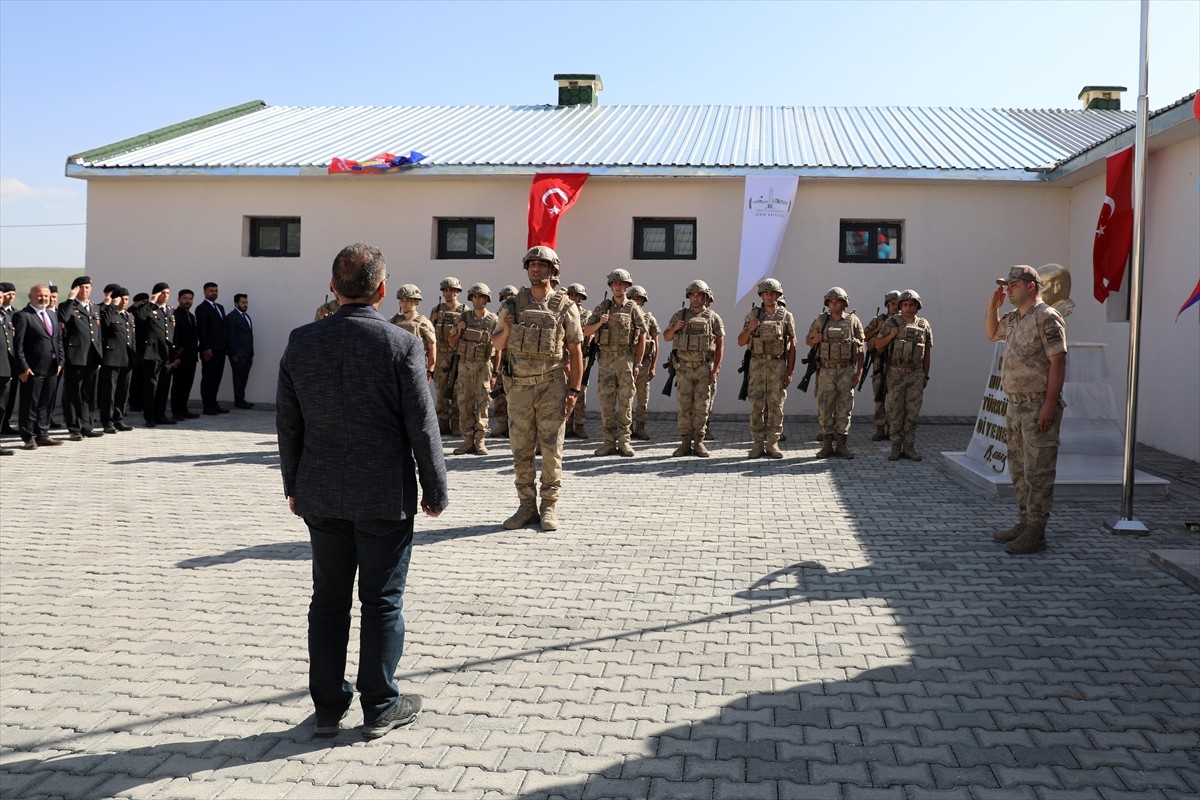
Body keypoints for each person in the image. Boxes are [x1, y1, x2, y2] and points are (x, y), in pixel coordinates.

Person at [277, 242, 448, 740]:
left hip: (322, 494)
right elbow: (423, 424)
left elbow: (288, 424)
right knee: (381, 601)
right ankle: (380, 705)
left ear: (333, 286)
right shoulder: (401, 344)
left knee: (328, 600)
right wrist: (435, 489)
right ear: (381, 289)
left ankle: (328, 708)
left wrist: (293, 484)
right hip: (383, 497)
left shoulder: (301, 341)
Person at [491, 246, 584, 531]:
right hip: (518, 388)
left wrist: (574, 391)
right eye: (531, 264)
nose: (535, 269)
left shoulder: (565, 306)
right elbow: (496, 344)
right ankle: (526, 507)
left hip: (551, 387)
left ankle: (549, 507)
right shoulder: (512, 304)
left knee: (551, 449)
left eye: (541, 265)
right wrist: (506, 330)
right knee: (520, 449)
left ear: (552, 270)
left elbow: (575, 350)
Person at [985, 265, 1067, 555]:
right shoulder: (1016, 318)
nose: (1008, 289)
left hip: (1037, 405)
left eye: (1013, 284)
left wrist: (1048, 405)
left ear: (1031, 285)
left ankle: (1037, 531)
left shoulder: (1046, 317)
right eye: (1006, 285)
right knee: (1019, 469)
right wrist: (993, 306)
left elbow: (1058, 362)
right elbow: (992, 333)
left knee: (1038, 471)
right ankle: (1024, 521)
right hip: (1016, 405)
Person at [583, 270, 647, 457]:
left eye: (622, 284)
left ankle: (625, 442)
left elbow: (643, 335)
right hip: (606, 362)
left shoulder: (633, 308)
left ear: (627, 286)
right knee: (607, 404)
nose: (618, 287)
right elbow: (586, 331)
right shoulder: (603, 307)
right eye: (615, 284)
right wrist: (600, 323)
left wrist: (638, 363)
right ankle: (608, 442)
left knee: (626, 403)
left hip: (626, 361)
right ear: (611, 286)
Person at [662, 279, 724, 458]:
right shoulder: (680, 315)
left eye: (699, 295)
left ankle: (699, 442)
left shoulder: (713, 317)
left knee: (702, 407)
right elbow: (666, 337)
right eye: (693, 295)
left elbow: (720, 345)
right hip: (684, 369)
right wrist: (675, 328)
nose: (695, 298)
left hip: (704, 368)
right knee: (684, 406)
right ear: (689, 296)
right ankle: (684, 443)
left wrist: (716, 369)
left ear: (705, 297)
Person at [737, 278, 796, 459]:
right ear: (761, 295)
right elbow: (741, 341)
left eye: (773, 293)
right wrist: (751, 328)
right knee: (757, 405)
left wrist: (790, 371)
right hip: (757, 364)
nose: (769, 296)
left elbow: (792, 345)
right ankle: (757, 445)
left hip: (778, 365)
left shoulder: (786, 316)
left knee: (776, 406)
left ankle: (772, 444)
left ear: (778, 295)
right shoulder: (753, 315)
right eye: (766, 293)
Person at [806, 287, 864, 459]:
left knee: (845, 408)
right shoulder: (821, 320)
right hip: (826, 370)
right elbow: (807, 340)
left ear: (844, 303)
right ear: (827, 303)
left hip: (846, 369)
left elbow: (861, 347)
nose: (834, 304)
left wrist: (859, 372)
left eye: (838, 301)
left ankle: (841, 445)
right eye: (831, 301)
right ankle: (826, 445)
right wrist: (813, 340)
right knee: (825, 407)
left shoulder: (853, 321)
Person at [875, 289, 933, 461]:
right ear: (900, 306)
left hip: (915, 374)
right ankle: (895, 447)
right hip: (895, 374)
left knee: (912, 413)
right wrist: (890, 336)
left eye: (911, 304)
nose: (908, 308)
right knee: (895, 412)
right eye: (905, 304)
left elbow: (927, 353)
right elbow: (878, 345)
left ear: (917, 306)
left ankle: (909, 447)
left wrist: (925, 376)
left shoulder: (924, 325)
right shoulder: (892, 323)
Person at [447, 283, 499, 455]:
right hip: (465, 366)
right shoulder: (463, 317)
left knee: (483, 403)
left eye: (481, 297)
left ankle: (480, 441)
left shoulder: (493, 320)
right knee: (464, 402)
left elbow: (498, 348)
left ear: (487, 299)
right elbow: (451, 342)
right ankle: (467, 440)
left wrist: (496, 372)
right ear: (471, 298)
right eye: (475, 297)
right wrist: (459, 331)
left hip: (484, 367)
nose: (478, 300)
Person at [13, 283, 64, 448]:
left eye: (46, 296)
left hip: (52, 367)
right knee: (30, 404)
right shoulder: (23, 316)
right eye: (40, 295)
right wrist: (23, 367)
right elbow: (18, 345)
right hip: (32, 369)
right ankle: (28, 437)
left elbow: (58, 340)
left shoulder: (52, 315)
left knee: (46, 402)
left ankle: (43, 434)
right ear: (30, 296)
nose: (43, 299)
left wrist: (60, 361)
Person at [58, 276, 104, 440]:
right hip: (76, 356)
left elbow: (98, 334)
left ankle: (87, 425)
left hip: (92, 357)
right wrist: (71, 298)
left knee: (88, 394)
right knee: (73, 393)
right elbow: (62, 318)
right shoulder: (68, 306)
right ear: (76, 289)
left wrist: (99, 357)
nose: (86, 290)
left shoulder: (95, 308)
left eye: (88, 287)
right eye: (82, 287)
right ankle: (74, 428)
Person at [134, 282, 179, 427]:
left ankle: (161, 414)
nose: (165, 296)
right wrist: (151, 302)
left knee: (164, 386)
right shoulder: (148, 309)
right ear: (156, 294)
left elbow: (172, 333)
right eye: (163, 293)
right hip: (151, 353)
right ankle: (150, 416)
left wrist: (175, 354)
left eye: (167, 293)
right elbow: (139, 318)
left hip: (166, 353)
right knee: (151, 386)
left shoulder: (170, 311)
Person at [861, 290, 901, 441]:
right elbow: (863, 336)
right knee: (879, 398)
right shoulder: (879, 319)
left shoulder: (902, 321)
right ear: (887, 305)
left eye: (898, 304)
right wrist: (878, 329)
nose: (895, 307)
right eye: (892, 304)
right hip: (879, 364)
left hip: (896, 366)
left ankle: (892, 428)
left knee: (894, 399)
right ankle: (880, 428)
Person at [99, 287, 136, 433]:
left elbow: (132, 338)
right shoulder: (108, 313)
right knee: (109, 392)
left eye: (127, 299)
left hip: (127, 359)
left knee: (123, 391)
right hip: (112, 358)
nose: (125, 302)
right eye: (123, 299)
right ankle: (107, 422)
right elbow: (105, 324)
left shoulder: (129, 316)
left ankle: (118, 419)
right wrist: (112, 305)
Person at [430, 277, 465, 435]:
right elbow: (429, 333)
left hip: (458, 356)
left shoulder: (464, 311)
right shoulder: (437, 310)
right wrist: (433, 320)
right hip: (441, 355)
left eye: (451, 290)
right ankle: (443, 423)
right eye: (445, 290)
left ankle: (456, 422)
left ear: (458, 292)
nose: (448, 293)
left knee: (458, 391)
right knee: (441, 390)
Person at [627, 285, 658, 440]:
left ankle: (640, 428)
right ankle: (627, 430)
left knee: (642, 399)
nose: (636, 302)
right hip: (626, 362)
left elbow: (656, 343)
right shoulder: (625, 318)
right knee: (626, 399)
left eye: (639, 299)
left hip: (644, 364)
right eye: (633, 298)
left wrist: (653, 366)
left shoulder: (649, 319)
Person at [389, 285, 436, 381]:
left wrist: (430, 371)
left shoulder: (423, 323)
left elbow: (432, 348)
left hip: (415, 369)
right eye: (402, 300)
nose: (404, 303)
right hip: (396, 369)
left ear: (417, 301)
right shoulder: (394, 321)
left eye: (408, 300)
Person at [195, 282, 230, 415]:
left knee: (217, 378)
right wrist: (205, 347)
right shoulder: (201, 308)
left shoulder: (220, 307)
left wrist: (226, 347)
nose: (214, 293)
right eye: (211, 291)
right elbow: (202, 330)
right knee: (208, 378)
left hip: (221, 349)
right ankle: (207, 405)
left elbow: (222, 328)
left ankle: (214, 403)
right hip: (209, 350)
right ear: (204, 292)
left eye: (216, 291)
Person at [490, 285, 518, 438]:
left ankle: (514, 426)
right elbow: (495, 342)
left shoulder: (520, 317)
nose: (506, 300)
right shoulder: (497, 318)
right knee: (499, 395)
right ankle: (502, 424)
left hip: (516, 362)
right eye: (503, 298)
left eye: (509, 297)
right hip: (500, 361)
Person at [564, 283, 591, 439]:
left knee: (580, 391)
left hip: (582, 357)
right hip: (565, 357)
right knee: (563, 391)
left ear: (582, 297)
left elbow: (589, 333)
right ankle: (566, 425)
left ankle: (579, 425)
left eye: (577, 295)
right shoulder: (563, 313)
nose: (574, 297)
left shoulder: (587, 315)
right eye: (572, 295)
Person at [171, 289, 200, 419]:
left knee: (187, 384)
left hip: (191, 356)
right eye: (185, 298)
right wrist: (176, 356)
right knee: (178, 384)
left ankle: (183, 408)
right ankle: (176, 410)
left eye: (190, 299)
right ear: (179, 299)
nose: (187, 301)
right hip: (181, 357)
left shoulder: (191, 316)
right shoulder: (175, 315)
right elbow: (174, 337)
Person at [227, 293, 255, 409]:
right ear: (236, 303)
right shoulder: (232, 317)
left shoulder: (246, 316)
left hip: (248, 353)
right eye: (243, 302)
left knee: (243, 377)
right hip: (238, 354)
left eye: (246, 302)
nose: (245, 305)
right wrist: (233, 353)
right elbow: (230, 336)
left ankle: (241, 399)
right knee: (238, 378)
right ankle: (239, 401)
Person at [0, 281, 18, 436]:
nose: (11, 297)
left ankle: (4, 425)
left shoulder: (10, 315)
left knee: (5, 401)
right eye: (7, 295)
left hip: (8, 365)